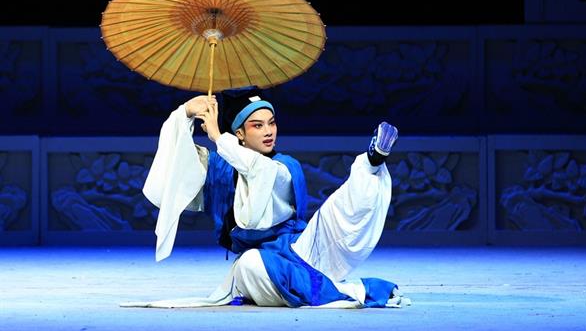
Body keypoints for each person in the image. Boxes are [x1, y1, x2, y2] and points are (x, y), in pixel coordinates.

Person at [125, 88, 408, 309]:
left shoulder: (283, 167)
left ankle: (371, 163)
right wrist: (186, 113)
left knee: (338, 207)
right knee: (249, 264)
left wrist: (218, 138)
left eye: (271, 123)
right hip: (263, 262)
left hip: (302, 250)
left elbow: (259, 172)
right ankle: (326, 288)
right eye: (257, 126)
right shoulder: (221, 167)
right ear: (240, 134)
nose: (269, 131)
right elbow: (180, 164)